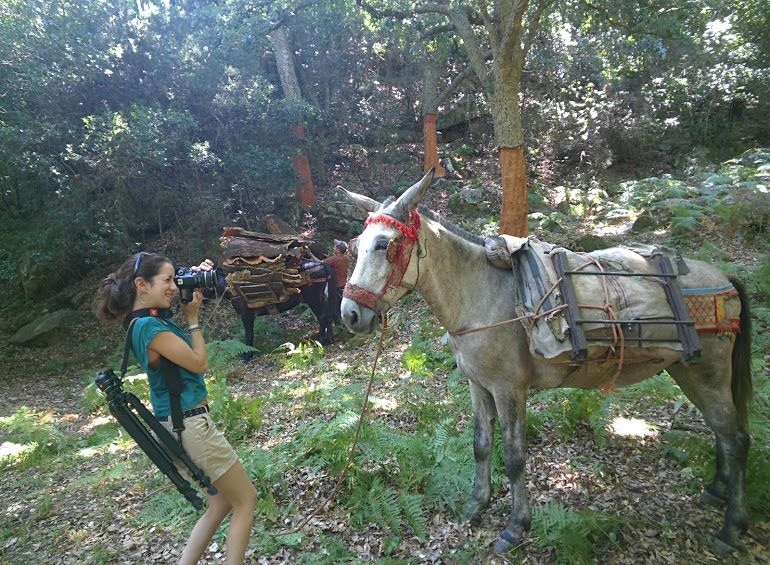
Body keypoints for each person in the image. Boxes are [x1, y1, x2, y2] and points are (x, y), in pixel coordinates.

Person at [94, 252, 257, 564]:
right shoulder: (148, 327)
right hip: (191, 426)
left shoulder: (147, 323)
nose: (172, 286)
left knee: (221, 503)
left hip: (180, 426)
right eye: (166, 280)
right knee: (245, 500)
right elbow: (199, 363)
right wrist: (193, 319)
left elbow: (178, 345)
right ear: (141, 284)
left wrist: (190, 285)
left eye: (173, 279)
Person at [323, 239, 350, 324]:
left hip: (337, 285)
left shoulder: (334, 259)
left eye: (335, 247)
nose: (333, 248)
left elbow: (320, 262)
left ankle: (339, 322)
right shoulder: (346, 258)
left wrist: (310, 254)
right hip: (345, 283)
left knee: (335, 305)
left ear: (338, 250)